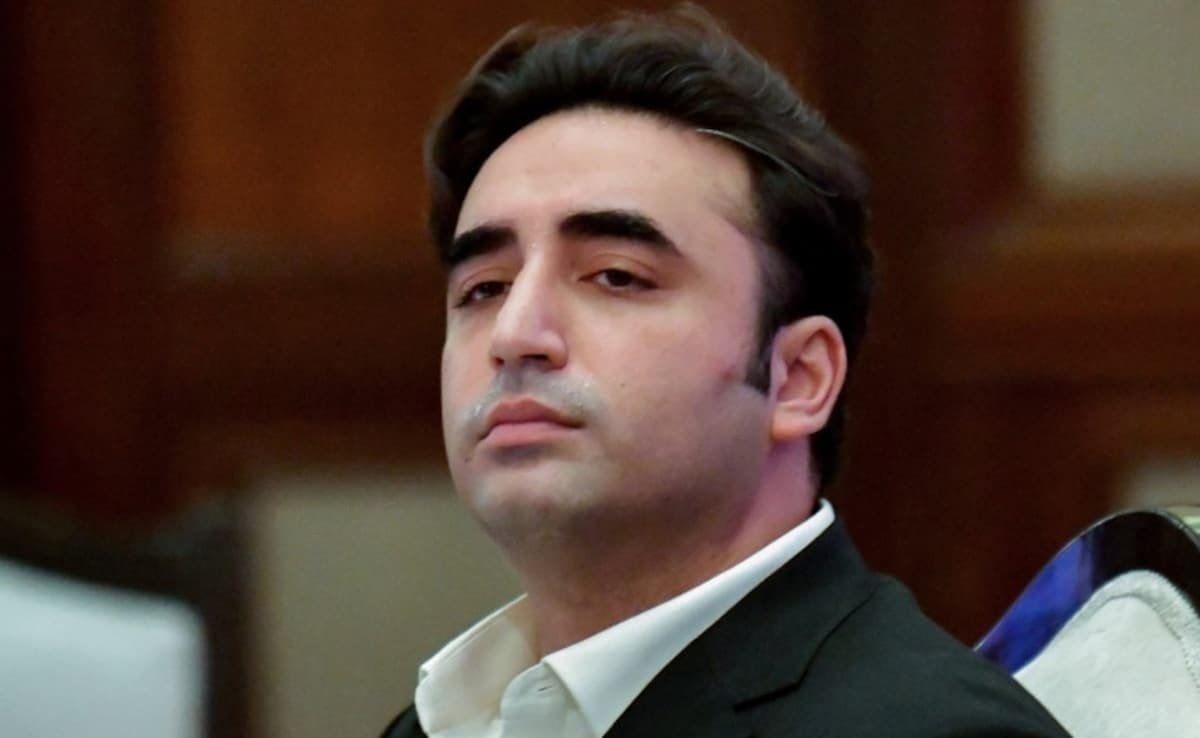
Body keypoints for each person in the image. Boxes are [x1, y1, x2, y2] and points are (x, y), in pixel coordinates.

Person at [382, 7, 1070, 738]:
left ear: (799, 378)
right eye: (483, 289)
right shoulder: (439, 724)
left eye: (616, 276)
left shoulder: (936, 730)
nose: (516, 334)